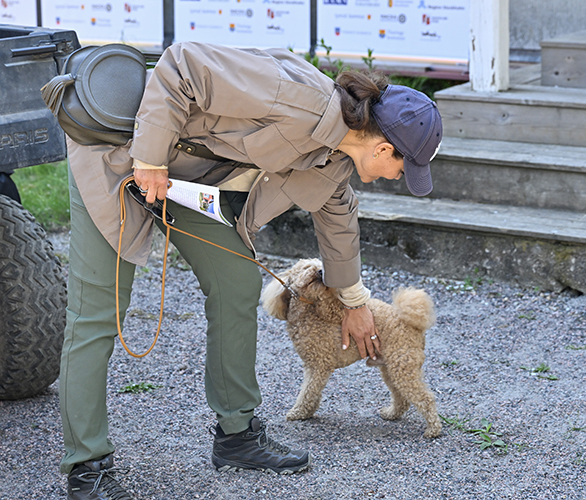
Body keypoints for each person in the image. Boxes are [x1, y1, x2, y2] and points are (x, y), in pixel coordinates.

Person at [60, 41, 442, 499]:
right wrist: (149, 157)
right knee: (100, 311)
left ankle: (236, 435)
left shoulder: (338, 159)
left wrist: (354, 303)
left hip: (188, 178)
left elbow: (338, 219)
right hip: (122, 153)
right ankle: (87, 467)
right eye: (404, 167)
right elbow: (182, 64)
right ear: (384, 146)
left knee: (238, 282)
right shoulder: (294, 96)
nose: (399, 177)